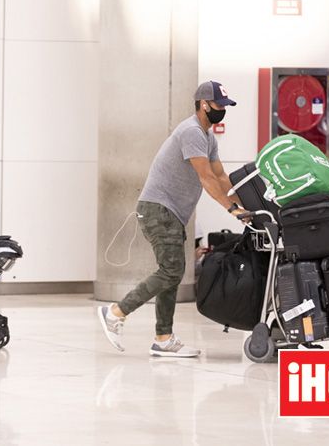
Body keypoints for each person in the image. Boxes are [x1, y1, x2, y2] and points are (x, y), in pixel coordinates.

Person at [97, 81, 247, 357]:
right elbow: (205, 178)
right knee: (171, 270)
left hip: (172, 213)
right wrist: (231, 210)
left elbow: (220, 177)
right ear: (204, 104)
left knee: (172, 272)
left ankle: (163, 337)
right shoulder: (191, 131)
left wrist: (245, 205)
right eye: (219, 106)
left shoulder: (208, 137)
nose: (222, 111)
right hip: (159, 209)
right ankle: (116, 312)